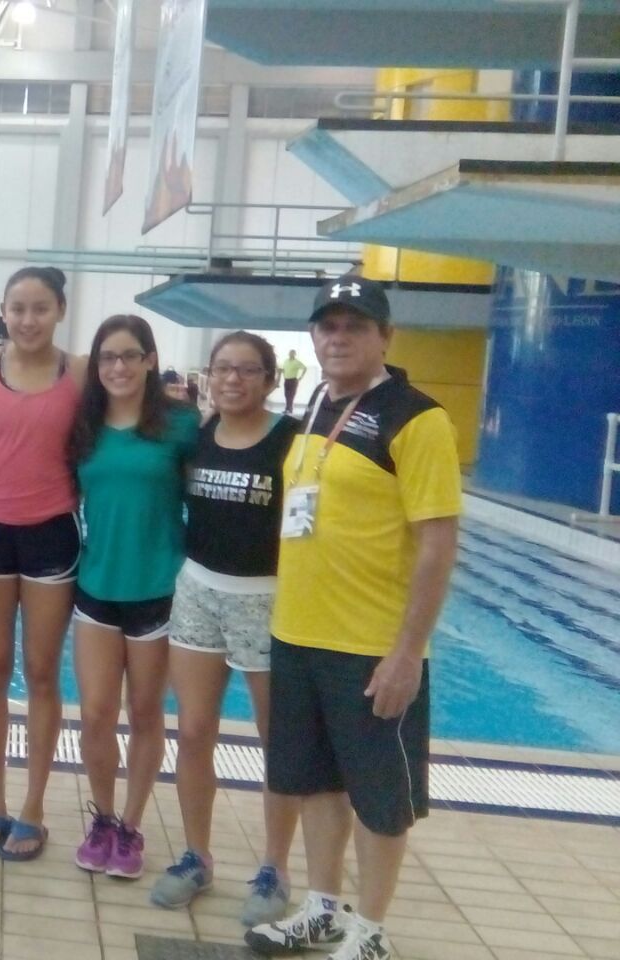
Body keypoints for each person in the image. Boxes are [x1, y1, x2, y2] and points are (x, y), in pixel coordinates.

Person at [245, 277, 460, 960]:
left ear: (385, 336)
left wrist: (407, 651)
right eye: (328, 326)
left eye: (355, 326)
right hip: (297, 634)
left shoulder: (417, 419)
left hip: (370, 646)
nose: (338, 338)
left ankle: (370, 931)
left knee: (379, 797)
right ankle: (322, 908)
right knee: (314, 782)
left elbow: (437, 543)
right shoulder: (316, 404)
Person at [150, 331, 300, 925]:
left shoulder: (291, 441)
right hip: (198, 590)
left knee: (276, 741)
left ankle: (275, 868)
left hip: (266, 598)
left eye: (247, 370)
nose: (233, 379)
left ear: (269, 379)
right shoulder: (199, 435)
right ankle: (197, 856)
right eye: (223, 369)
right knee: (192, 731)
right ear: (209, 376)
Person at [0, 267, 87, 861]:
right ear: (3, 312)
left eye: (40, 308)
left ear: (60, 310)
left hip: (50, 533)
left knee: (40, 673)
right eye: (18, 308)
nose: (28, 320)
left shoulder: (81, 373)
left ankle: (33, 807)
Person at [70, 314, 199, 881]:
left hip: (159, 590)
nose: (117, 366)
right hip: (97, 586)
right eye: (107, 357)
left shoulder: (181, 425)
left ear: (149, 360)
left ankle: (131, 824)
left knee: (145, 713)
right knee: (96, 713)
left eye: (129, 355)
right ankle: (102, 818)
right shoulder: (84, 425)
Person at [281, 348, 307, 414]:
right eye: (290, 353)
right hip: (286, 380)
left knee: (291, 395)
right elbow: (284, 369)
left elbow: (305, 368)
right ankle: (287, 409)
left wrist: (300, 377)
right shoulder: (286, 361)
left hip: (293, 381)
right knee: (286, 395)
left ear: (295, 354)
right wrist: (281, 371)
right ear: (288, 354)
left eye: (292, 353)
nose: (291, 354)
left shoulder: (296, 362)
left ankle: (289, 409)